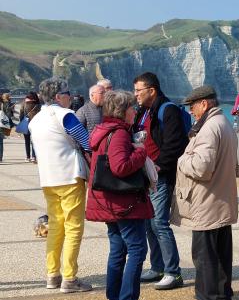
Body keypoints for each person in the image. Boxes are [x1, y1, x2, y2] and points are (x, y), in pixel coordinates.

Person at [171, 85, 238, 300]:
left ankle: (207, 296)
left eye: (192, 106)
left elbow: (201, 168)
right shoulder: (224, 123)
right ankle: (221, 295)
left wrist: (181, 160)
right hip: (219, 202)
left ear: (204, 104)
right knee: (221, 257)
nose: (191, 111)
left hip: (206, 205)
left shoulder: (209, 128)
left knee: (205, 258)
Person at [85, 90, 154, 300]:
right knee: (137, 250)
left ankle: (114, 295)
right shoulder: (120, 133)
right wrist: (141, 151)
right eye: (132, 108)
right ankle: (127, 297)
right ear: (123, 111)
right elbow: (120, 167)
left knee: (118, 249)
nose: (135, 111)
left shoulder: (103, 130)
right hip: (123, 203)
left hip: (108, 201)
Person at [28, 78, 92, 293]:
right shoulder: (66, 115)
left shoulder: (35, 120)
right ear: (57, 96)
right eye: (67, 92)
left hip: (48, 178)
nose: (71, 96)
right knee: (73, 228)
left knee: (55, 226)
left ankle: (52, 274)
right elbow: (87, 141)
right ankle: (70, 278)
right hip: (70, 175)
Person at [132, 72, 188, 290]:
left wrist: (158, 166)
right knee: (148, 223)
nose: (135, 94)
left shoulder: (168, 110)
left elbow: (175, 144)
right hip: (144, 175)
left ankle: (173, 272)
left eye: (139, 90)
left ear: (152, 91)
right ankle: (157, 267)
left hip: (160, 176)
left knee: (159, 223)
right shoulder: (142, 112)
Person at [19, 92, 41, 162]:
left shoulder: (24, 103)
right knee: (34, 141)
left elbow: (21, 114)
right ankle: (34, 157)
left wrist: (21, 123)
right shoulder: (39, 105)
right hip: (36, 124)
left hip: (26, 123)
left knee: (27, 141)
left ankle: (28, 157)